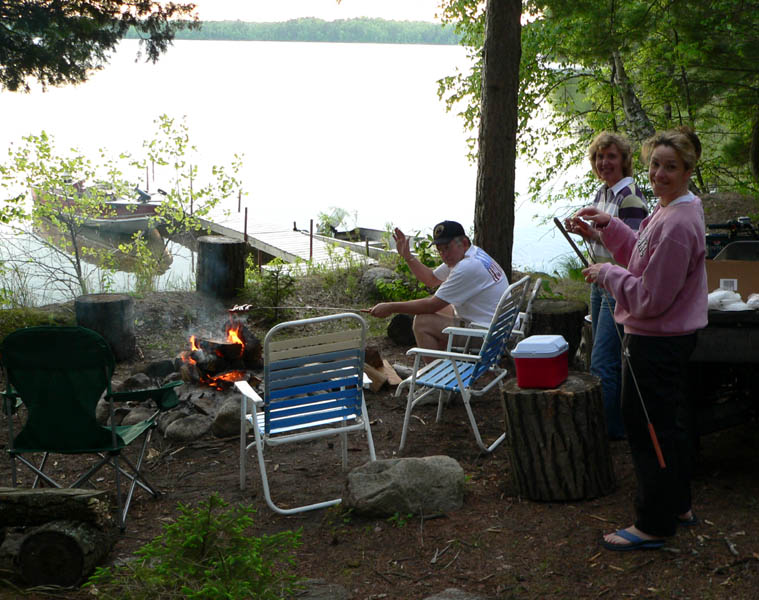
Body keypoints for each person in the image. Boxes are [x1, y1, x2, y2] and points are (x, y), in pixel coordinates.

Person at [566, 126, 707, 551]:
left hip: (657, 339)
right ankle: (677, 505)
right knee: (668, 424)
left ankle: (653, 524)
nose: (659, 174)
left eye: (671, 167)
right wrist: (609, 227)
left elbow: (651, 298)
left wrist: (607, 274)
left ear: (687, 171)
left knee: (648, 429)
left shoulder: (678, 223)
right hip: (665, 336)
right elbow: (642, 257)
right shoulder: (670, 208)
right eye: (655, 164)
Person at [580, 132, 649, 440]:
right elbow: (607, 237)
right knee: (606, 354)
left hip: (617, 286)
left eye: (610, 156)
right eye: (599, 157)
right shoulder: (603, 193)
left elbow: (634, 250)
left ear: (624, 160)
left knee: (603, 360)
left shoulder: (630, 198)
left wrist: (598, 237)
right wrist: (587, 232)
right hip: (600, 283)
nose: (603, 162)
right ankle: (616, 423)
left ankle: (608, 432)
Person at [368, 221, 508, 351]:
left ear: (464, 242)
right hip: (499, 326)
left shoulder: (467, 267)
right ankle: (447, 361)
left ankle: (437, 369)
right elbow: (432, 279)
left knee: (423, 322)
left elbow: (431, 305)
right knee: (438, 308)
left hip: (490, 336)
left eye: (447, 248)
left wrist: (390, 307)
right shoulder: (472, 253)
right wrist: (408, 257)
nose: (444, 255)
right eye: (440, 250)